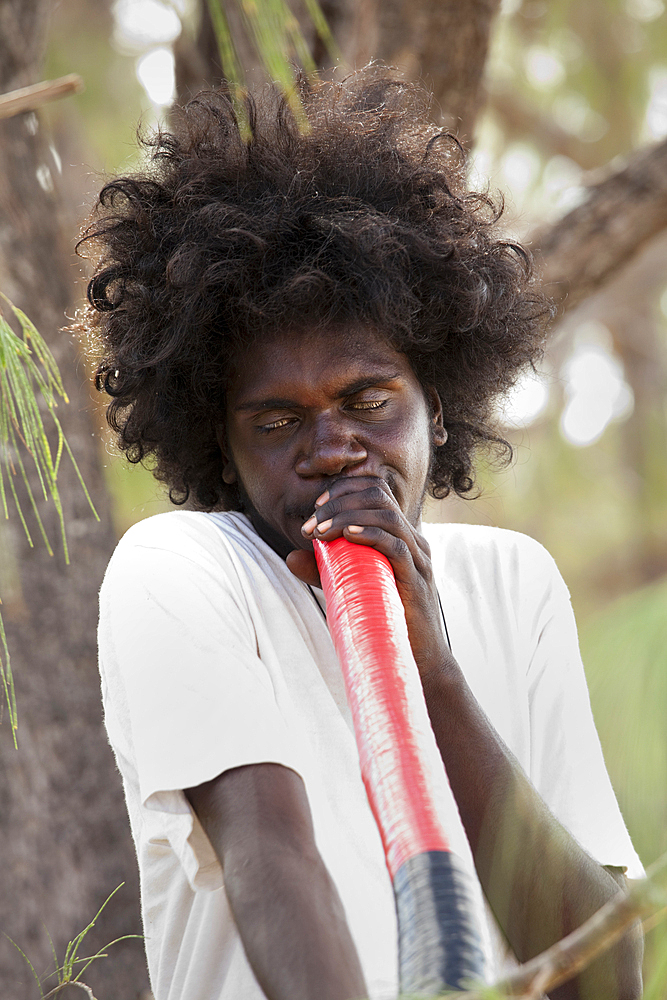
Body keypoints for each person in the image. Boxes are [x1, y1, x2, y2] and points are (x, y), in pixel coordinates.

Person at [82, 68, 644, 1000]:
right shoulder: (181, 571)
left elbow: (603, 974)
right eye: (276, 422)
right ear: (219, 450)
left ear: (438, 405)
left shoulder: (513, 582)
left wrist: (434, 671)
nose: (333, 450)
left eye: (368, 400)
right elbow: (271, 860)